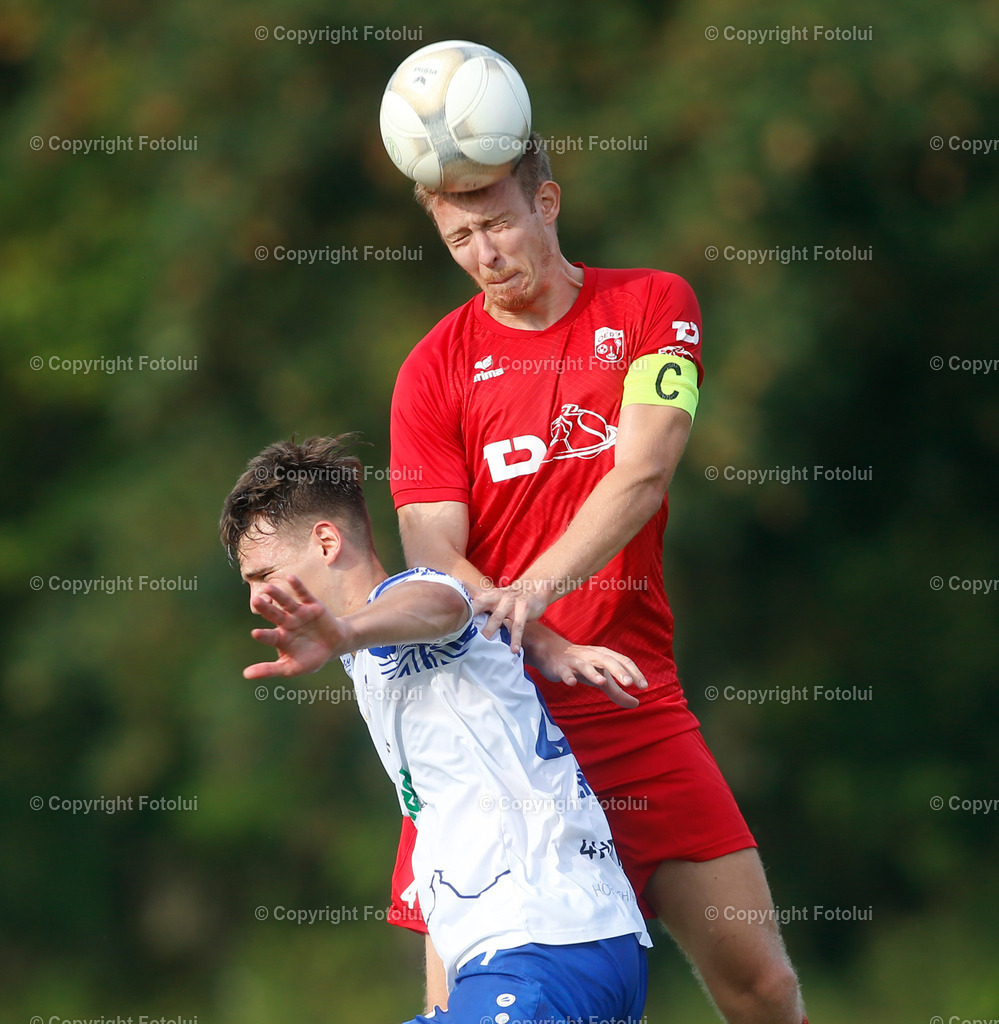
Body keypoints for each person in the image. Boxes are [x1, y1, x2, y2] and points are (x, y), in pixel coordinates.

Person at [386, 133, 809, 1024]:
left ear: (547, 203)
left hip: (630, 706)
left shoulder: (654, 304)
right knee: (457, 1005)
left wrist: (531, 590)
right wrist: (537, 635)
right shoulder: (433, 367)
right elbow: (430, 548)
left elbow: (644, 468)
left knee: (763, 987)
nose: (484, 255)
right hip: (493, 727)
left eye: (497, 225)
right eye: (459, 240)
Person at [219, 435, 651, 1024]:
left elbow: (439, 604)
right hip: (534, 950)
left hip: (541, 942)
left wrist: (346, 633)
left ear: (326, 541)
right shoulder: (363, 650)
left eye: (263, 573)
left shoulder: (419, 595)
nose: (253, 599)